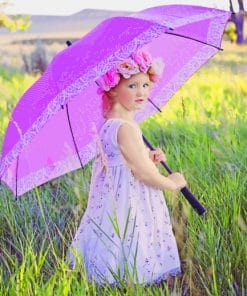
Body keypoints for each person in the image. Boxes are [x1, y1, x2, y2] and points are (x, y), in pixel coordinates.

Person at [67, 49, 187, 288]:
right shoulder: (126, 128)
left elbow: (123, 160)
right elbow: (142, 173)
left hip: (114, 195)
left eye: (145, 84)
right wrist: (172, 183)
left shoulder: (110, 123)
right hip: (132, 196)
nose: (142, 92)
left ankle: (105, 270)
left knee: (114, 230)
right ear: (112, 89)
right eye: (132, 86)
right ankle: (134, 274)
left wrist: (146, 155)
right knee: (134, 229)